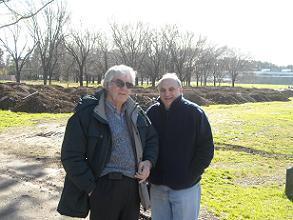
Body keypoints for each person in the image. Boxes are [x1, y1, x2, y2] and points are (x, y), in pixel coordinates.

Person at [57, 65, 158, 220]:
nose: (124, 88)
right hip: (103, 187)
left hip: (133, 188)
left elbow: (152, 139)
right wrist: (91, 188)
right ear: (107, 84)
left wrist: (148, 162)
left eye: (129, 85)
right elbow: (71, 156)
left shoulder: (136, 113)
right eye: (120, 83)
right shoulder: (88, 113)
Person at [147, 73, 214, 220]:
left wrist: (190, 175)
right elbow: (145, 144)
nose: (167, 93)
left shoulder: (195, 113)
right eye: (163, 90)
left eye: (171, 89)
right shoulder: (151, 113)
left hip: (186, 187)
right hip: (158, 186)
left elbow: (206, 149)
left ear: (180, 90)